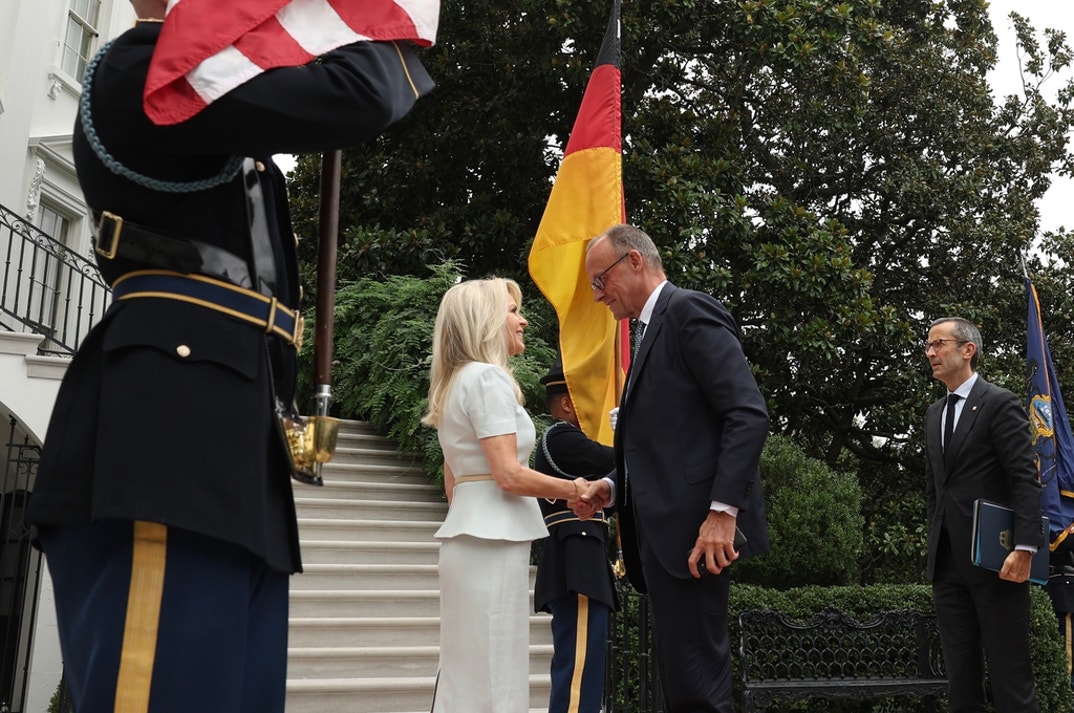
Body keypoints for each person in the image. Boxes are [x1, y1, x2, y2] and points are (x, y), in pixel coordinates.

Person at [25, 1, 434, 711]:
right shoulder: (140, 67)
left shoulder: (214, 107)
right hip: (169, 433)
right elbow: (358, 95)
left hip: (235, 435)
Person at [573, 223, 770, 712]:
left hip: (698, 536)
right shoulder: (648, 330)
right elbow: (666, 446)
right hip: (667, 540)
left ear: (635, 261)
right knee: (683, 686)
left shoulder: (688, 311)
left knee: (698, 689)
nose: (598, 295)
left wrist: (723, 513)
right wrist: (612, 487)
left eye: (601, 280)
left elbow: (747, 414)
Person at [422, 278, 589, 713]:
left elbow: (453, 482)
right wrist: (576, 490)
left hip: (471, 539)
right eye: (513, 310)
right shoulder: (488, 378)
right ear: (485, 320)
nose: (523, 319)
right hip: (491, 541)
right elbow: (509, 475)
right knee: (496, 671)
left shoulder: (454, 382)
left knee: (469, 672)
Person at [923, 317, 1043, 712]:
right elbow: (935, 491)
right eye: (928, 346)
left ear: (967, 349)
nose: (930, 353)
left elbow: (1025, 479)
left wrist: (1025, 547)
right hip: (947, 566)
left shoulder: (999, 402)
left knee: (1011, 677)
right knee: (961, 681)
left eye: (938, 344)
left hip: (997, 562)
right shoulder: (934, 414)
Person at [533, 358, 618, 713]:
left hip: (580, 554)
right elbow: (618, 460)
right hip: (577, 556)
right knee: (579, 670)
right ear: (567, 403)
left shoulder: (563, 440)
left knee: (581, 666)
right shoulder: (562, 436)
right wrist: (636, 433)